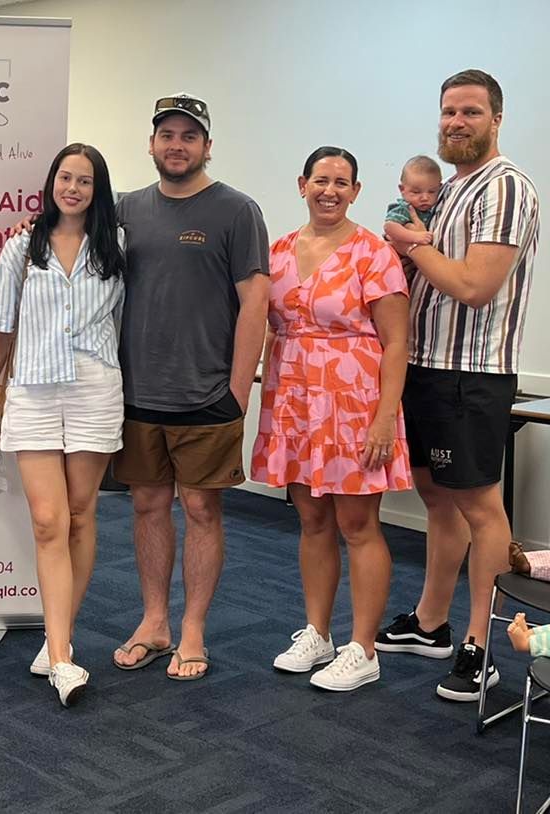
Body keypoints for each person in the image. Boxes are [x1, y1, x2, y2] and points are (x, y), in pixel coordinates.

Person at [376, 69, 540, 702]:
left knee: (479, 506)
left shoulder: (504, 186)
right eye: (448, 112)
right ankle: (430, 622)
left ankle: (481, 646)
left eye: (470, 112)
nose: (456, 123)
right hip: (425, 365)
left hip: (471, 374)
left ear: (496, 119)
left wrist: (411, 247)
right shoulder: (446, 190)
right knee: (436, 498)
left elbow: (474, 286)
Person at [110, 93, 271, 680]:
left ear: (207, 145)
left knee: (202, 508)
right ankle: (154, 621)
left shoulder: (236, 210)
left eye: (188, 136)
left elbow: (256, 300)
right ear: (151, 143)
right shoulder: (125, 209)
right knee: (148, 505)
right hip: (136, 391)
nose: (176, 145)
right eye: (166, 135)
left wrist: (239, 389)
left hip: (207, 393)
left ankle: (194, 629)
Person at [252, 146, 412, 692]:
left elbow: (396, 344)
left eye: (342, 183)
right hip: (295, 401)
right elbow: (267, 325)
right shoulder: (276, 251)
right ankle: (317, 633)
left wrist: (386, 418)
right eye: (321, 180)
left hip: (355, 405)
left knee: (358, 525)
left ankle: (363, 648)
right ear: (302, 184)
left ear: (356, 192)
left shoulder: (374, 253)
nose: (331, 191)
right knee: (313, 521)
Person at [0, 144, 125, 706]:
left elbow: (123, 319)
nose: (74, 188)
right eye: (66, 177)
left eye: (85, 181)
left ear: (97, 190)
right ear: (51, 182)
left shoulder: (117, 247)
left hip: (94, 388)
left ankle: (56, 638)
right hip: (34, 392)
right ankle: (62, 659)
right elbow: (0, 327)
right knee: (47, 521)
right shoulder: (21, 245)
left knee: (82, 516)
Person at [383, 155, 443, 249]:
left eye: (431, 191)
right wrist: (415, 237)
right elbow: (389, 227)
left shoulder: (436, 208)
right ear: (402, 189)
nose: (424, 198)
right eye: (416, 192)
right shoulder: (404, 208)